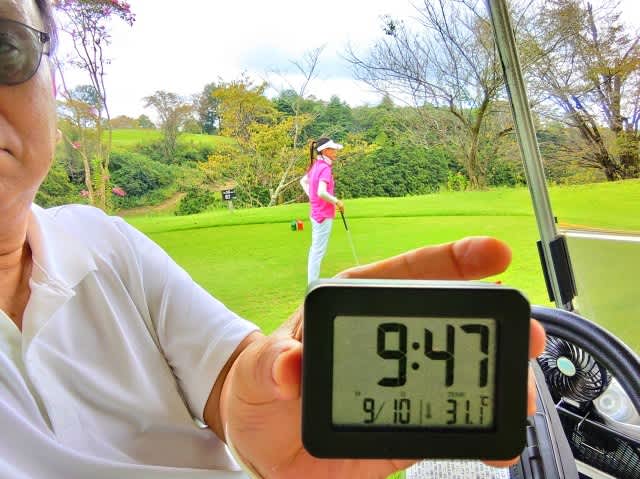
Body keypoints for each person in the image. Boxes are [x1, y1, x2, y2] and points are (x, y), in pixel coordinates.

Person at [0, 1, 546, 477]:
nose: (332, 156)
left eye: (4, 46)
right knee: (316, 255)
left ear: (52, 83)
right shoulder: (320, 171)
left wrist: (251, 418)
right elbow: (316, 188)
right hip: (321, 215)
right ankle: (316, 283)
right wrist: (331, 201)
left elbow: (233, 380)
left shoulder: (106, 240)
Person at [300, 137, 345, 284]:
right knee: (317, 251)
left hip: (316, 212)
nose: (336, 152)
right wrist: (337, 201)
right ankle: (312, 284)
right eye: (333, 149)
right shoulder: (325, 168)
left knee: (316, 249)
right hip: (323, 215)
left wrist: (312, 198)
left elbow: (303, 181)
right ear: (325, 151)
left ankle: (312, 282)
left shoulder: (316, 166)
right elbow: (321, 192)